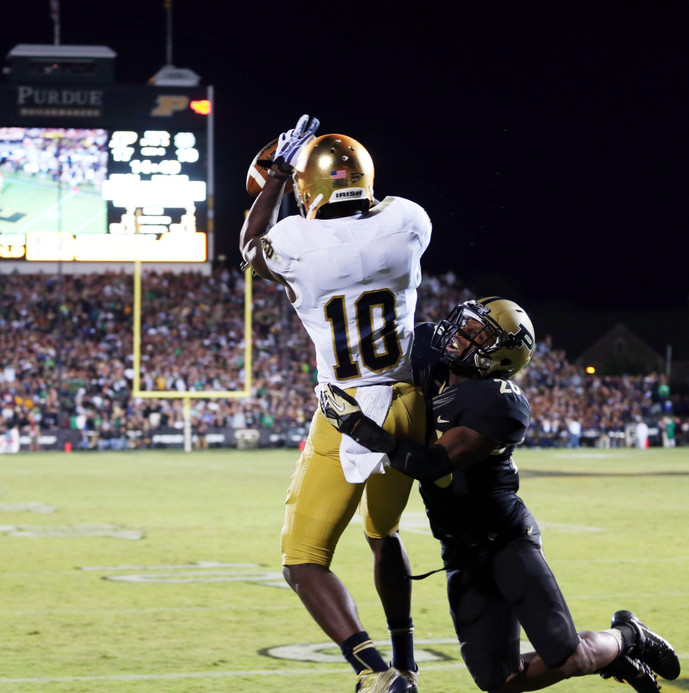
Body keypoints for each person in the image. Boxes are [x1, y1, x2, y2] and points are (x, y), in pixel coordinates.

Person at [319, 297, 680, 693]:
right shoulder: (428, 358)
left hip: (503, 540)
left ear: (500, 357)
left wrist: (358, 426)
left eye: (477, 334)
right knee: (499, 681)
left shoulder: (498, 401)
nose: (459, 334)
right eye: (465, 323)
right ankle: (613, 656)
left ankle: (627, 635)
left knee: (567, 656)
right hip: (458, 550)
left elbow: (432, 463)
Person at [240, 115, 432, 693]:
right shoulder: (407, 221)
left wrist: (278, 175)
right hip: (409, 404)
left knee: (302, 559)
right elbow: (365, 217)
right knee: (384, 535)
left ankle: (375, 671)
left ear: (310, 188)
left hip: (347, 410)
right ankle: (407, 658)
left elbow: (250, 246)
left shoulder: (297, 244)